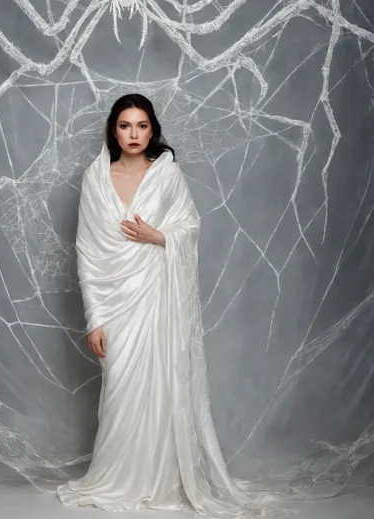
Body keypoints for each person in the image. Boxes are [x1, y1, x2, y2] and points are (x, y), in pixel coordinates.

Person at [57, 94, 289, 517]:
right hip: (115, 302)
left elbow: (190, 226)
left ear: (153, 130)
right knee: (120, 389)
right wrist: (95, 318)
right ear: (113, 129)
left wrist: (159, 237)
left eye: (142, 126)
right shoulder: (96, 178)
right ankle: (117, 476)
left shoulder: (166, 174)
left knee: (162, 385)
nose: (134, 134)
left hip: (158, 297)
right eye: (125, 126)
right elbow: (86, 251)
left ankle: (159, 479)